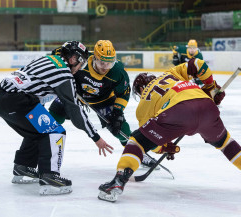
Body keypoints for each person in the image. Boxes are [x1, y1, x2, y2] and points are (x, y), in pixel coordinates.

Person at [97, 58, 241, 202]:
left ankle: (119, 180)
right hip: (207, 106)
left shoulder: (142, 105)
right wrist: (211, 87)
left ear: (141, 89)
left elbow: (151, 143)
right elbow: (199, 64)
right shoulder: (171, 73)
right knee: (225, 142)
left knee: (136, 142)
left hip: (177, 113)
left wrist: (165, 147)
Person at [0, 41, 113, 195]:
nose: (80, 68)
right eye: (81, 63)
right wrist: (95, 137)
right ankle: (50, 176)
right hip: (17, 101)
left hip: (1, 99)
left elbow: (35, 89)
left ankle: (23, 167)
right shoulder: (64, 73)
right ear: (73, 59)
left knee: (38, 129)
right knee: (55, 131)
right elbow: (74, 110)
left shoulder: (47, 59)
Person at [49, 40, 159, 168]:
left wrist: (117, 112)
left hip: (104, 101)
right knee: (53, 118)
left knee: (121, 129)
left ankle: (138, 152)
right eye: (102, 62)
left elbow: (123, 93)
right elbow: (58, 55)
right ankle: (41, 145)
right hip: (75, 95)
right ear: (94, 58)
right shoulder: (82, 62)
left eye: (109, 64)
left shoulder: (118, 71)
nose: (105, 67)